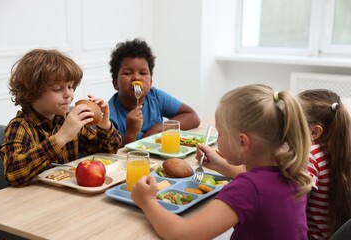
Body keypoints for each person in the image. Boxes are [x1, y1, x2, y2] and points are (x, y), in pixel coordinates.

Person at [131, 84, 313, 239]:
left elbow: (182, 234)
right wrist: (219, 164)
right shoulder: (291, 169)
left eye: (220, 133)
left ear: (243, 142)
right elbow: (259, 186)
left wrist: (147, 201)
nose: (217, 138)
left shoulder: (247, 189)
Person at [0, 49, 122, 187]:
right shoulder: (20, 127)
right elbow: (13, 174)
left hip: (65, 196)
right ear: (31, 93)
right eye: (58, 89)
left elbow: (107, 152)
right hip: (33, 201)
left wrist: (104, 123)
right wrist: (61, 137)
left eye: (71, 87)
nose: (68, 94)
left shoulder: (66, 119)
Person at [108, 38, 200, 146]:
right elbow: (116, 155)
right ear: (115, 83)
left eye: (143, 73)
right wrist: (131, 133)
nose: (136, 77)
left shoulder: (156, 97)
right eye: (128, 73)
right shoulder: (108, 115)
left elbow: (192, 117)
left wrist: (157, 129)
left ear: (151, 82)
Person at [298, 89, 351, 239]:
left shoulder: (311, 157)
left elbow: (291, 207)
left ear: (315, 132)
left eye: (292, 123)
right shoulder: (342, 150)